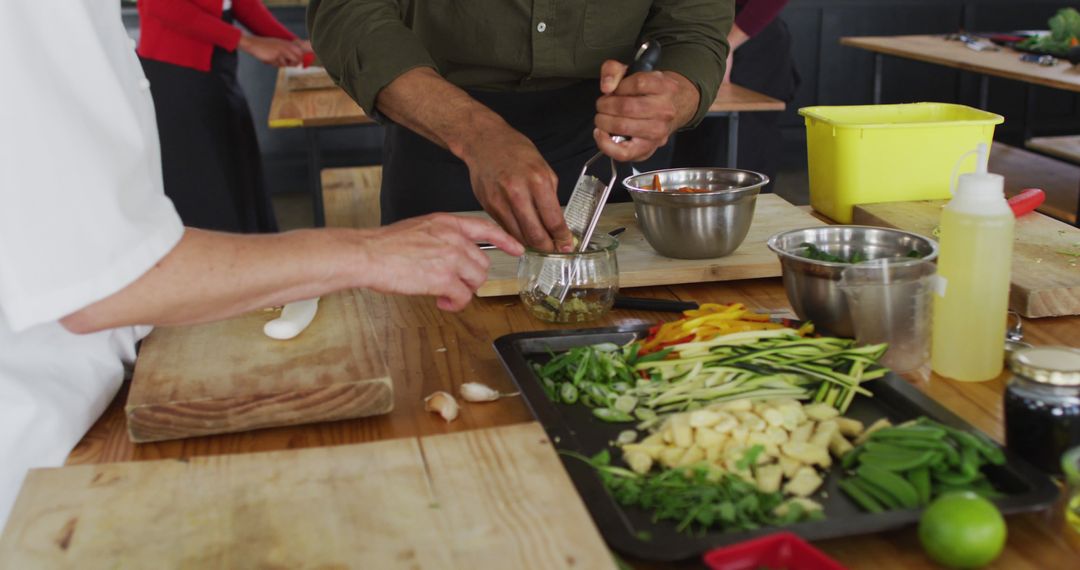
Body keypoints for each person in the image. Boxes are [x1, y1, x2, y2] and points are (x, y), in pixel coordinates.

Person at [0, 0, 521, 528]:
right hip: (32, 472)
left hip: (86, 420)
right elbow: (103, 285)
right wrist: (369, 253)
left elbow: (115, 243)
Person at [308, 1, 733, 253]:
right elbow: (350, 14)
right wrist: (473, 131)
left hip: (609, 145)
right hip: (439, 130)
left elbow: (692, 28)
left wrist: (672, 96)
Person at [137, 0, 311, 233]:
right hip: (173, 73)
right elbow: (162, 6)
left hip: (218, 65)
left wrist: (295, 47)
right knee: (206, 190)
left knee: (235, 178)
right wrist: (249, 42)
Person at [670, 0, 799, 189]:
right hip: (699, 28)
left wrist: (728, 44)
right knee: (695, 136)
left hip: (746, 33)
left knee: (737, 148)